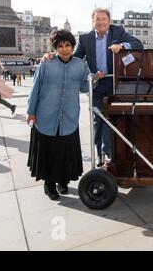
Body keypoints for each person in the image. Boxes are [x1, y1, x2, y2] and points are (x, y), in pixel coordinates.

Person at [44, 8, 144, 167]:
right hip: (96, 84)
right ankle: (100, 155)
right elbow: (74, 57)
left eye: (104, 19)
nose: (101, 22)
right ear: (93, 22)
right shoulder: (85, 38)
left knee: (114, 119)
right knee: (98, 119)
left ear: (109, 21)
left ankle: (112, 153)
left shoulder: (118, 32)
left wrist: (122, 45)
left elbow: (138, 45)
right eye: (97, 19)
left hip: (115, 85)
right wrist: (54, 56)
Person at [27, 30, 100, 200]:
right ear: (55, 48)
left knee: (65, 152)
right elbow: (35, 88)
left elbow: (84, 87)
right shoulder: (46, 64)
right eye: (60, 46)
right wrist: (31, 112)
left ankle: (63, 181)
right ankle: (49, 184)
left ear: (73, 46)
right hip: (46, 116)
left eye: (68, 45)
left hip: (69, 117)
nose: (65, 49)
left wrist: (94, 79)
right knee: (49, 153)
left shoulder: (80, 65)